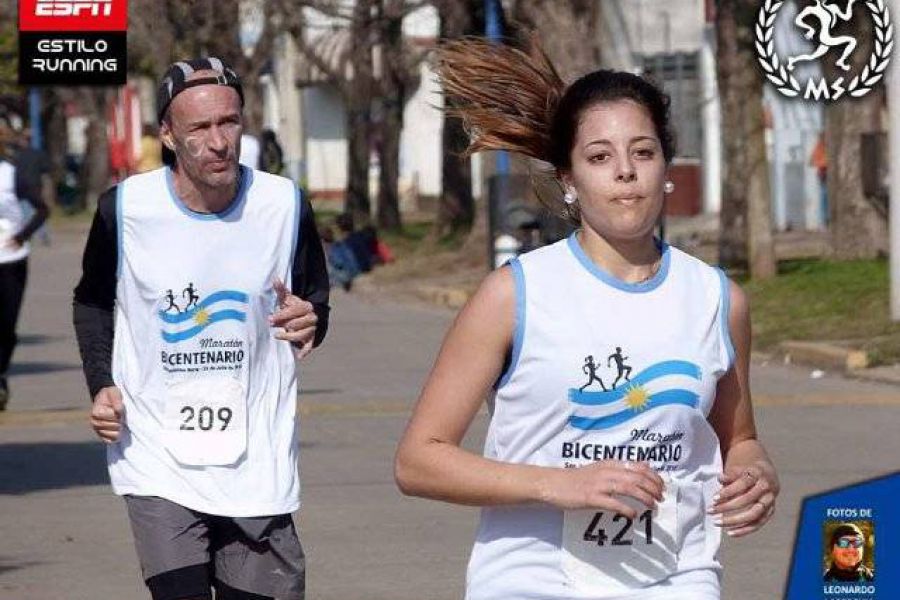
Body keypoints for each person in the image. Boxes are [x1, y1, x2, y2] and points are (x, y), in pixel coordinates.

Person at [395, 37, 779, 600]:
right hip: (533, 580)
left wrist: (757, 475)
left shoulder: (717, 299)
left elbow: (738, 439)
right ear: (570, 181)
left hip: (677, 578)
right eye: (600, 157)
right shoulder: (514, 295)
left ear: (666, 167)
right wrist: (562, 485)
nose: (625, 172)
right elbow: (418, 461)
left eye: (642, 152)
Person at [72, 57, 330, 600]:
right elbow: (93, 302)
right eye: (200, 128)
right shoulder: (124, 210)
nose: (220, 142)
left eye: (230, 122)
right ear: (167, 134)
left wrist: (311, 321)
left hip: (256, 460)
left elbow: (314, 303)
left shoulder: (283, 205)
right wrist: (102, 382)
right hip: (156, 454)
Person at [0, 125, 50, 410]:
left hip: (11, 259)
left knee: (6, 327)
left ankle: (1, 372)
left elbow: (42, 209)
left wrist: (21, 236)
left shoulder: (12, 174)